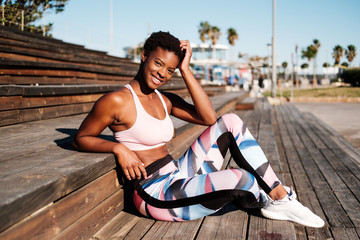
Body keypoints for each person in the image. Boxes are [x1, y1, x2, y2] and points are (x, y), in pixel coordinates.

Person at [73, 31, 324, 228]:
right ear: (144, 55)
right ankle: (270, 200)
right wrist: (118, 148)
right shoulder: (117, 100)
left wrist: (185, 70)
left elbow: (208, 118)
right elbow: (81, 138)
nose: (162, 73)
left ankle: (280, 197)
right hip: (155, 193)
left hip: (178, 173)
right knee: (242, 179)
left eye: (170, 70)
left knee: (231, 121)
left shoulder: (164, 98)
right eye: (158, 63)